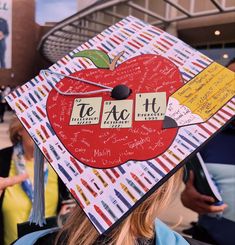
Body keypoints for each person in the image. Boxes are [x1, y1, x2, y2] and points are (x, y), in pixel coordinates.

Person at [181, 59, 235, 244]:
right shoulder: (205, 135)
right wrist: (188, 199)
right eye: (229, 80)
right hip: (207, 237)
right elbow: (191, 188)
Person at [0, 117, 69, 245]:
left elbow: (67, 202)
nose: (42, 131)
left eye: (47, 127)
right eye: (36, 125)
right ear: (19, 129)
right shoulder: (2, 160)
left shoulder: (59, 165)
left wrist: (66, 216)